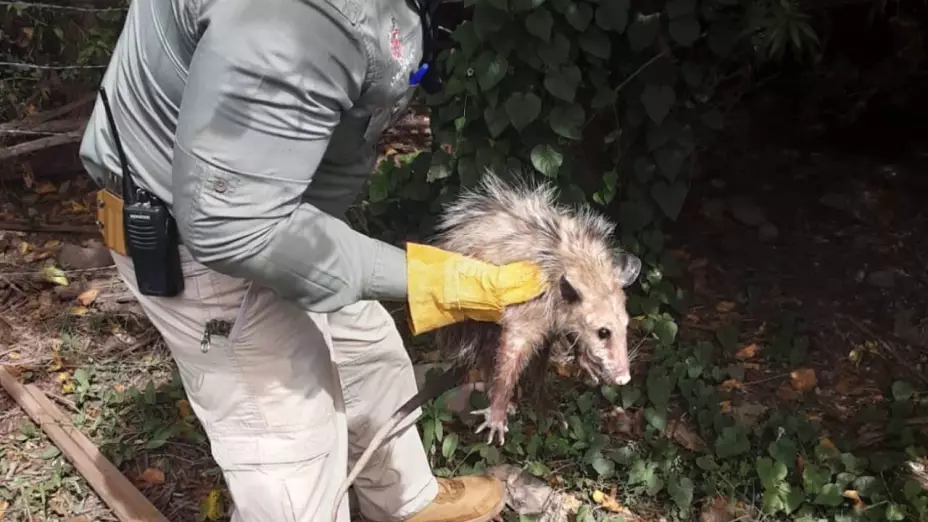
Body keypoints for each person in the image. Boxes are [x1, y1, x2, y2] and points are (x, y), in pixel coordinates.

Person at [78, 0, 548, 521]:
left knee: (369, 357)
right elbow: (231, 228)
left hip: (269, 206)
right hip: (205, 240)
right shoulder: (295, 13)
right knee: (292, 449)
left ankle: (407, 504)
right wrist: (432, 281)